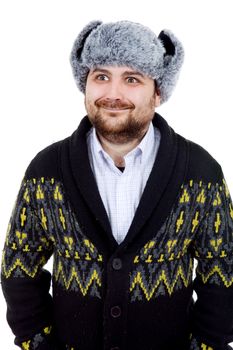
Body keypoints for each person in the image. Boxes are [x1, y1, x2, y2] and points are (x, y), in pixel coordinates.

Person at [1, 20, 233, 350]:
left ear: (158, 90)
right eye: (102, 76)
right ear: (85, 83)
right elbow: (18, 269)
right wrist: (39, 343)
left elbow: (223, 273)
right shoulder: (46, 170)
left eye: (132, 79)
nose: (113, 93)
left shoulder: (200, 172)